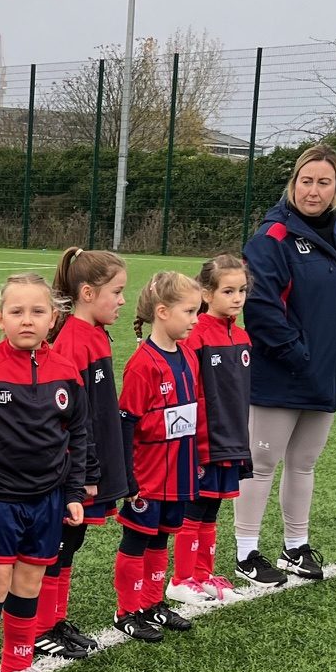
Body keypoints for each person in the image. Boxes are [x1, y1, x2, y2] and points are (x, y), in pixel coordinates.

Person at [234, 144, 336, 586]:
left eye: (323, 182)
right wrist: (297, 354)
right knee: (261, 461)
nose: (313, 190)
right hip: (281, 373)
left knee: (305, 463)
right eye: (306, 181)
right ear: (293, 184)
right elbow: (260, 307)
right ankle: (246, 552)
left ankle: (296, 546)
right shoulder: (271, 237)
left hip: (327, 374)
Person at [0, 273, 88, 672]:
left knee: (31, 582)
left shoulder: (66, 370)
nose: (26, 320)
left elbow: (78, 434)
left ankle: (16, 666)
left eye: (37, 312)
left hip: (48, 498)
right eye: (16, 312)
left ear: (54, 318)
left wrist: (73, 491)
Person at [40, 247, 131, 657]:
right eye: (117, 291)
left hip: (88, 466)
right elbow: (71, 418)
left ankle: (54, 621)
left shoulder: (94, 334)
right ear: (89, 292)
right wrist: (86, 470)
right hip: (72, 471)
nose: (123, 301)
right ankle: (41, 627)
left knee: (70, 541)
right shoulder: (72, 342)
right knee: (58, 542)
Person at [114, 271, 207, 643]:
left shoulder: (187, 354)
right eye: (190, 312)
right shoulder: (142, 364)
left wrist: (198, 455)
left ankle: (152, 603)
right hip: (150, 475)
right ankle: (126, 610)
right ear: (163, 312)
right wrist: (128, 477)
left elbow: (194, 410)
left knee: (162, 538)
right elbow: (126, 422)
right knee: (137, 540)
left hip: (179, 471)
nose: (196, 320)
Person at [169, 256, 252, 604]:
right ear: (206, 292)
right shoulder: (197, 334)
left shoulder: (242, 334)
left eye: (242, 290)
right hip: (204, 440)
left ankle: (203, 574)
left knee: (214, 507)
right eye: (228, 290)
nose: (237, 298)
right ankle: (181, 578)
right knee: (196, 508)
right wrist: (195, 436)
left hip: (232, 438)